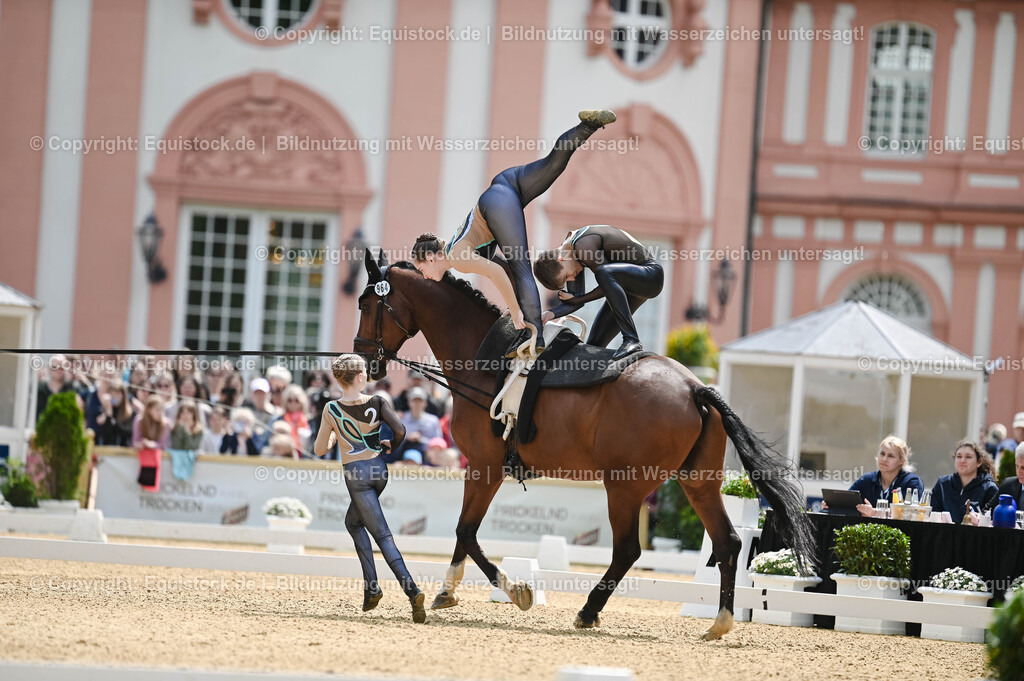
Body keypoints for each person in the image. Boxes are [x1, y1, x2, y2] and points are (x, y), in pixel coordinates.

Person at [411, 109, 617, 353]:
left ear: (433, 257)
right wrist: (517, 304)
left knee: (522, 269)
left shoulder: (456, 258)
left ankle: (536, 340)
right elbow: (501, 263)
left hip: (497, 203)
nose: (425, 276)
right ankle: (587, 126)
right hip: (506, 185)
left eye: (422, 269)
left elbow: (497, 273)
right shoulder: (456, 247)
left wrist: (517, 312)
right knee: (553, 164)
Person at [314, 354, 426, 623]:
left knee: (383, 536)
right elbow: (399, 430)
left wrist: (334, 435)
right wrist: (390, 446)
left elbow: (319, 449)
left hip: (357, 476)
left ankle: (411, 590)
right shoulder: (378, 401)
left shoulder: (332, 409)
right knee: (352, 522)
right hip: (379, 471)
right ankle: (371, 588)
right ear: (361, 377)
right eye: (365, 371)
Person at [534, 224, 664, 359]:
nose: (572, 279)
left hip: (650, 276)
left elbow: (605, 282)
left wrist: (579, 299)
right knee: (592, 348)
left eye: (566, 276)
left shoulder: (583, 245)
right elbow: (576, 300)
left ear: (561, 259)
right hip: (628, 287)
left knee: (604, 272)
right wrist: (549, 314)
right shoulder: (570, 255)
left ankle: (632, 339)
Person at [848, 436, 924, 517]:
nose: (884, 459)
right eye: (882, 454)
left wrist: (875, 512)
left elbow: (910, 512)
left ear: (901, 461)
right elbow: (845, 502)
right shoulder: (866, 480)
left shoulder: (911, 482)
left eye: (890, 456)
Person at [930, 438, 1000, 524]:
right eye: (959, 456)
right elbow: (932, 515)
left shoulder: (989, 488)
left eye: (968, 457)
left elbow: (993, 523)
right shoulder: (942, 484)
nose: (962, 460)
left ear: (979, 462)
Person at [395, 387, 443, 465]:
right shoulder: (401, 419)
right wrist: (407, 438)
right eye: (414, 401)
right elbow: (395, 439)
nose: (417, 404)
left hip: (426, 454)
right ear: (409, 403)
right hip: (404, 451)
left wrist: (421, 439)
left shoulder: (433, 421)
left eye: (420, 401)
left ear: (425, 403)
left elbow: (438, 442)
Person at [93, 381, 135, 447]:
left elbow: (126, 433)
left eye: (117, 393)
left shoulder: (130, 413)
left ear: (123, 396)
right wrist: (108, 412)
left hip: (123, 452)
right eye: (112, 394)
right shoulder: (102, 411)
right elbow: (105, 433)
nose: (115, 396)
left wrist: (113, 422)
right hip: (105, 451)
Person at [986, 442, 1024, 510]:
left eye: (1023, 468)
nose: (1019, 471)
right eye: (1017, 466)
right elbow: (987, 511)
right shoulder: (1008, 485)